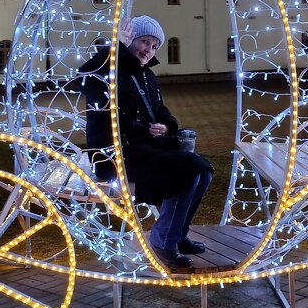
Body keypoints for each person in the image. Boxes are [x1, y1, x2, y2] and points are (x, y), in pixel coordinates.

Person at [79, 15, 213, 269]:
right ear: (129, 41)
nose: (148, 50)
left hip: (145, 150)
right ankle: (162, 241)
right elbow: (85, 79)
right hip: (115, 154)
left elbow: (160, 109)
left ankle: (177, 236)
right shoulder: (110, 71)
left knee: (203, 172)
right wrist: (114, 47)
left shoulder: (147, 76)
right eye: (143, 41)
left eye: (154, 46)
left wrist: (165, 125)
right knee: (189, 169)